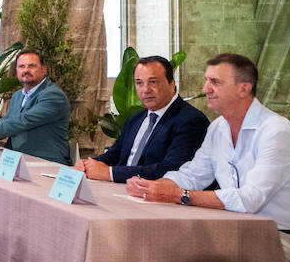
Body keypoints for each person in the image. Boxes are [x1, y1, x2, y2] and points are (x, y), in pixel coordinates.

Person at [127, 53, 290, 262]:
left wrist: (179, 195)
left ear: (244, 88)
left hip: (285, 238)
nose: (205, 89)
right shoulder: (218, 128)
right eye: (206, 81)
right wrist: (156, 185)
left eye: (215, 82)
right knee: (161, 242)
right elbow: (192, 175)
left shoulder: (276, 131)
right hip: (238, 229)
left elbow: (250, 199)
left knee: (188, 255)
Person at [77, 55, 208, 183]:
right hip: (124, 190)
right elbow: (115, 154)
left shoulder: (191, 121)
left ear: (172, 84)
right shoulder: (136, 118)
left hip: (159, 198)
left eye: (153, 82)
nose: (146, 90)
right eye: (139, 83)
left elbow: (171, 168)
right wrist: (88, 164)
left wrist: (110, 173)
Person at [0, 49, 71, 164]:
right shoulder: (18, 95)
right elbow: (7, 121)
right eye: (21, 66)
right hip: (17, 161)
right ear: (16, 70)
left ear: (43, 69)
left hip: (47, 164)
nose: (26, 70)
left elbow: (23, 121)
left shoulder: (53, 95)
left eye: (32, 66)